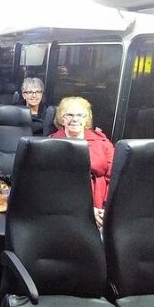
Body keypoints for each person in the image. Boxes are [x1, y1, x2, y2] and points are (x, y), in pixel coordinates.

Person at [50, 96, 114, 228]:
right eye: (69, 115)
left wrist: (106, 209)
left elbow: (114, 177)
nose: (75, 119)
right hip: (64, 208)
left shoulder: (103, 142)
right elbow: (53, 184)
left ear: (87, 118)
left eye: (80, 115)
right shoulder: (50, 143)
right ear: (62, 118)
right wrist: (86, 211)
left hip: (101, 206)